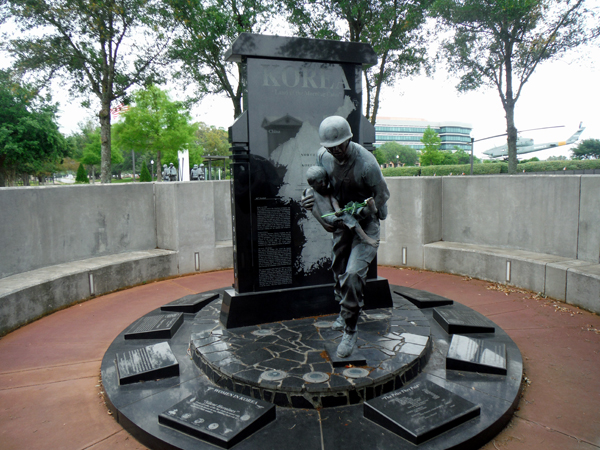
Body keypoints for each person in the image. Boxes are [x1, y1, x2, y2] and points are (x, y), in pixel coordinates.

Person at [302, 116, 390, 358]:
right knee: (339, 270)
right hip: (342, 221)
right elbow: (321, 187)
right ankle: (344, 312)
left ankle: (350, 330)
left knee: (352, 275)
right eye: (331, 147)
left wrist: (362, 211)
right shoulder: (323, 156)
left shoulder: (367, 164)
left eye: (340, 145)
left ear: (349, 139)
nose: (336, 151)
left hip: (366, 224)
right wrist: (311, 198)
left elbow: (383, 194)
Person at [305, 165, 379, 248]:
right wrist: (323, 224)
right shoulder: (310, 192)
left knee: (353, 212)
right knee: (348, 218)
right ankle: (364, 238)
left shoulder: (327, 190)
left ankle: (370, 209)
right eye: (320, 182)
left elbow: (333, 201)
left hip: (335, 214)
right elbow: (314, 210)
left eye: (325, 180)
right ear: (311, 183)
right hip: (327, 217)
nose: (324, 184)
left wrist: (337, 209)